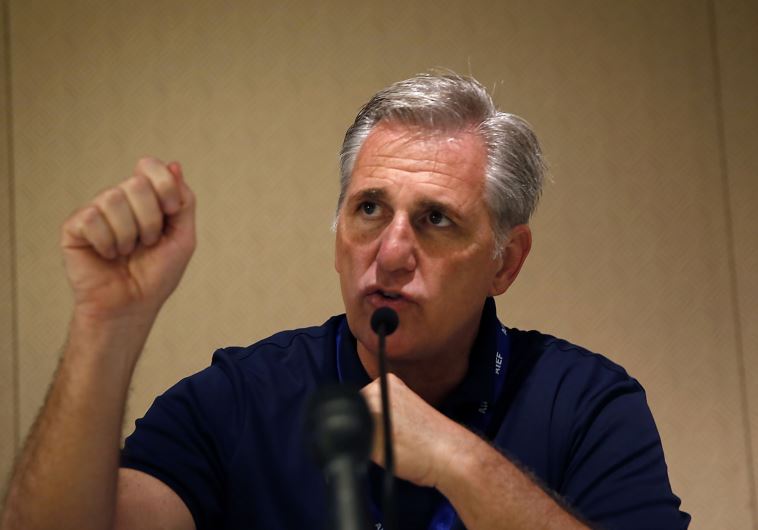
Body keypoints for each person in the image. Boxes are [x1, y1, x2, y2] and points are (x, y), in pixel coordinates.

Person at [1, 73, 690, 530]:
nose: (390, 253)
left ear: (504, 262)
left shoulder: (586, 403)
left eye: (436, 219)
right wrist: (106, 323)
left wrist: (461, 462)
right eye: (369, 209)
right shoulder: (239, 399)